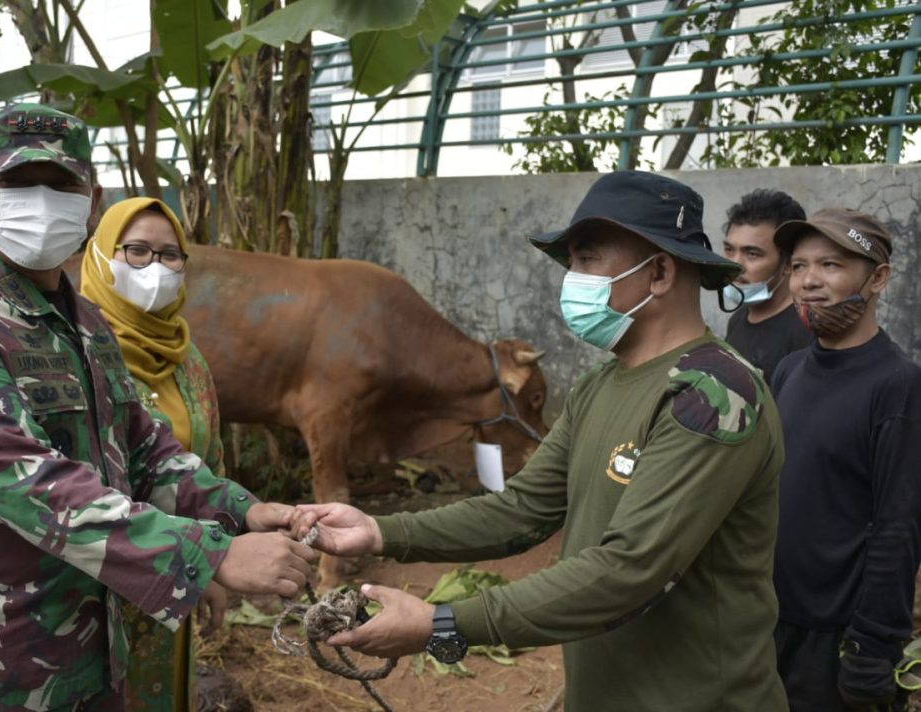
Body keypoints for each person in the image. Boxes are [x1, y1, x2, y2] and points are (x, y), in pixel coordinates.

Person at [295, 170, 789, 711]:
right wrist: (377, 532)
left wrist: (442, 623)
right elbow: (523, 509)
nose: (570, 280)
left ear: (661, 273)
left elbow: (629, 571)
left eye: (586, 260)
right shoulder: (600, 384)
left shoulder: (714, 393)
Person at [0, 103, 315, 710]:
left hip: (84, 657)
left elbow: (142, 446)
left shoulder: (85, 322)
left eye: (62, 185)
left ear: (91, 198)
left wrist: (244, 509)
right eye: (15, 182)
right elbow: (26, 481)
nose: (40, 199)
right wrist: (211, 554)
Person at [769, 208, 921, 712]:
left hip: (834, 642)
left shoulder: (897, 386)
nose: (809, 281)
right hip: (767, 622)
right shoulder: (788, 371)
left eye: (831, 265)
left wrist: (871, 650)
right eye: (797, 266)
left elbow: (898, 529)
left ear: (877, 278)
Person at [80, 197, 229, 711]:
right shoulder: (77, 353)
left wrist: (213, 559)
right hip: (99, 578)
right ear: (102, 257)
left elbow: (211, 462)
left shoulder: (189, 363)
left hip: (181, 573)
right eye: (137, 252)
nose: (156, 269)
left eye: (170, 256)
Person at [721, 188, 811, 381]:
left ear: (788, 263)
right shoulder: (738, 319)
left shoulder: (806, 333)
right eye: (729, 250)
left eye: (752, 254)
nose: (734, 265)